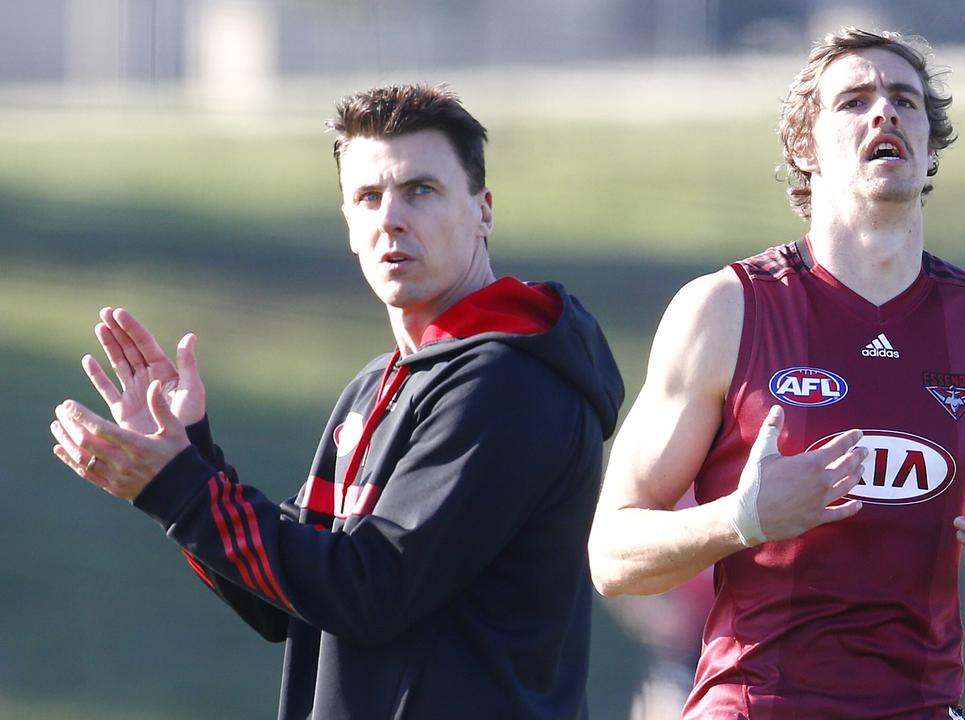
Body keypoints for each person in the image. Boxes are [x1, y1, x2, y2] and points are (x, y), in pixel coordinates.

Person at [50, 83, 624, 719]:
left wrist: (181, 488)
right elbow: (283, 606)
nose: (391, 218)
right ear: (349, 224)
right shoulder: (377, 385)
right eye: (368, 198)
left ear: (483, 210)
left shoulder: (505, 384)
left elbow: (368, 593)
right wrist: (187, 457)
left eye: (421, 191)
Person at [588, 27, 965, 719]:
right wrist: (742, 519)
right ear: (805, 148)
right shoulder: (726, 310)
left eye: (904, 100)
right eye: (854, 101)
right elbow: (612, 556)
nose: (884, 114)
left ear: (928, 145)